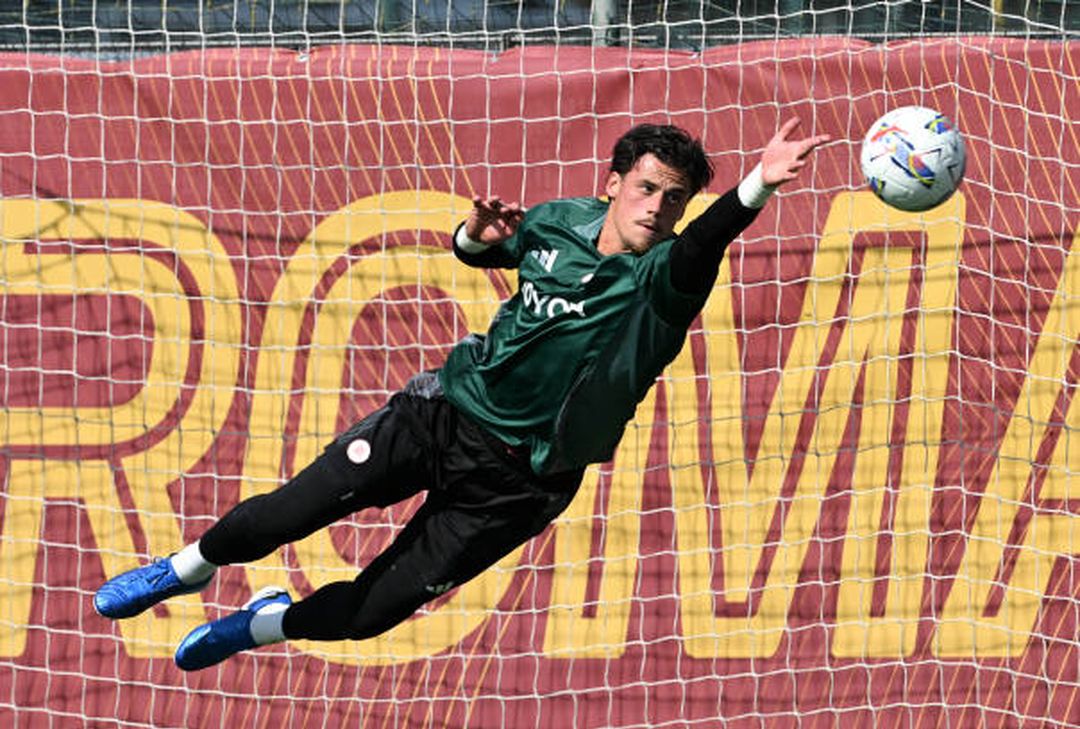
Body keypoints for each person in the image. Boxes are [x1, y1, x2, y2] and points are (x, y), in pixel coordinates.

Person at [94, 119, 829, 671]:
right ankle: (184, 570)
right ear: (613, 183)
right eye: (645, 189)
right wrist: (472, 236)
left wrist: (756, 184)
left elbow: (706, 241)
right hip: (440, 415)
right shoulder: (555, 223)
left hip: (519, 484)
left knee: (371, 615)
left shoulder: (666, 278)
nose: (656, 209)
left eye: (673, 200)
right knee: (289, 512)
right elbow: (483, 246)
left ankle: (263, 624)